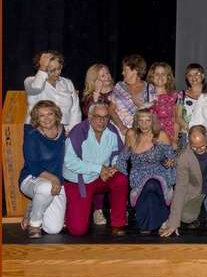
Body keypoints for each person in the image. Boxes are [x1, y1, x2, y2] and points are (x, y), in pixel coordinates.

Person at [63, 103, 128, 236]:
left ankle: (118, 223)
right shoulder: (78, 132)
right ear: (90, 116)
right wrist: (99, 169)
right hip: (79, 181)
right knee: (78, 230)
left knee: (120, 179)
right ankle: (66, 211)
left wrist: (114, 167)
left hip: (101, 177)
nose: (102, 121)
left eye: (105, 117)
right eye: (98, 117)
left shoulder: (112, 131)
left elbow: (118, 154)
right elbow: (69, 162)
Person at [116, 109, 176, 234]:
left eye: (147, 121)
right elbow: (123, 157)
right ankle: (147, 221)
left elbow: (171, 158)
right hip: (138, 173)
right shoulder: (131, 134)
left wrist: (170, 162)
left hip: (159, 171)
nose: (144, 124)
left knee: (152, 184)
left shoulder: (161, 135)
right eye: (141, 121)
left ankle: (162, 219)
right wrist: (122, 174)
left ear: (153, 121)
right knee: (148, 185)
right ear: (137, 122)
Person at [19, 101, 67, 238]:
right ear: (36, 118)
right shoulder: (32, 135)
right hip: (32, 178)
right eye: (41, 116)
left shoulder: (64, 132)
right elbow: (33, 167)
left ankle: (34, 206)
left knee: (54, 229)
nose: (46, 118)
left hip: (58, 182)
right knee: (45, 187)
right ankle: (34, 225)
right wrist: (53, 178)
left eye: (50, 114)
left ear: (56, 115)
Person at [24, 50, 81, 132]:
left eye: (59, 68)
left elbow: (75, 111)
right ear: (42, 69)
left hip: (64, 132)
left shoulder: (67, 83)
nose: (57, 72)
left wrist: (73, 132)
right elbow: (36, 88)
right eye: (52, 70)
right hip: (37, 132)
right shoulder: (30, 81)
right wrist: (43, 67)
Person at [110, 54, 156, 138]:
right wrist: (122, 128)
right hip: (117, 131)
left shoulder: (149, 88)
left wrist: (141, 105)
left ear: (135, 70)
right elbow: (111, 110)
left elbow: (153, 113)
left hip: (139, 133)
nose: (122, 72)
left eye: (125, 70)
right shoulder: (119, 87)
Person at [175, 63, 205, 149]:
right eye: (190, 75)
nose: (194, 77)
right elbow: (178, 117)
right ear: (187, 78)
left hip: (206, 135)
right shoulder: (182, 95)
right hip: (186, 136)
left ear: (202, 76)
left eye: (197, 74)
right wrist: (192, 130)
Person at [148, 62, 179, 144]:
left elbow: (176, 121)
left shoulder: (174, 96)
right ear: (152, 77)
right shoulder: (145, 95)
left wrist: (175, 140)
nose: (160, 77)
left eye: (163, 74)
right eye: (157, 74)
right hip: (149, 138)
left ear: (168, 77)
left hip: (168, 138)